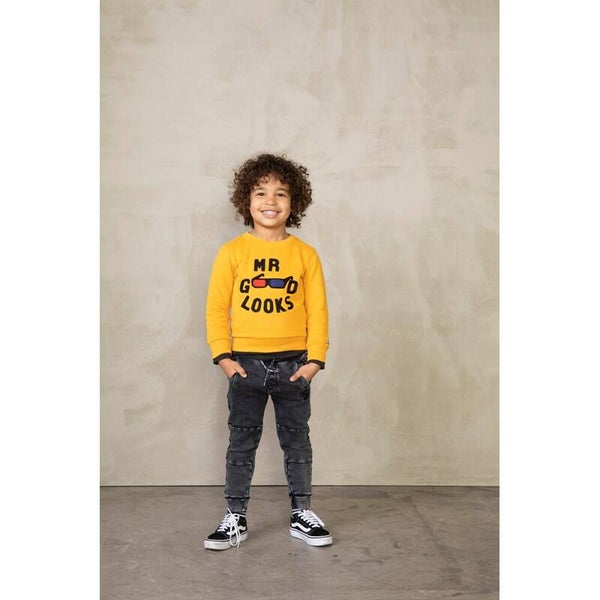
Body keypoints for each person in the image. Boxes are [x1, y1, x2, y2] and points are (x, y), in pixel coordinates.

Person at [203, 153, 332, 551]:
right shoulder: (232, 253)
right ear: (247, 200)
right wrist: (225, 359)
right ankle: (235, 517)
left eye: (281, 193)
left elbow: (318, 311)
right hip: (245, 366)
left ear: (294, 203)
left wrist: (314, 361)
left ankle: (301, 513)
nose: (270, 201)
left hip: (295, 366)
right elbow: (216, 308)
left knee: (297, 442)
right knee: (241, 443)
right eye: (261, 192)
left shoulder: (305, 255)